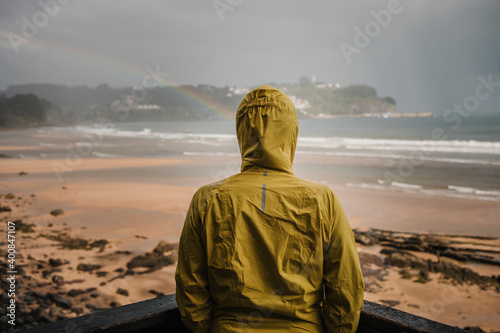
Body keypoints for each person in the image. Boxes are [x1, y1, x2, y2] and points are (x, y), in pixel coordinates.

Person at [175, 85, 364, 332]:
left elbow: (190, 287)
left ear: (241, 133)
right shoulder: (322, 200)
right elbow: (345, 288)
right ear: (291, 132)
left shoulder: (207, 198)